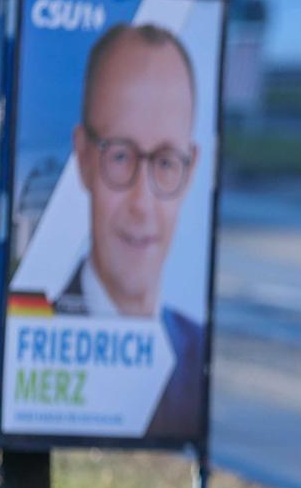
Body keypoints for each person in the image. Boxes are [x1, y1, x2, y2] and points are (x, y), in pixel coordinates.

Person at [55, 23, 205, 439]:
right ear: (84, 157)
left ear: (190, 168)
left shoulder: (197, 354)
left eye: (164, 162)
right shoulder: (37, 335)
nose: (142, 202)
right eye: (120, 156)